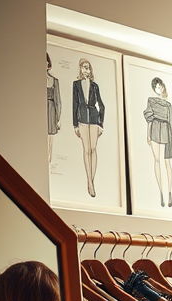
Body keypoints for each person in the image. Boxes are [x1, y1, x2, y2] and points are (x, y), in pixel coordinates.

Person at [71, 58, 104, 198]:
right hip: (82, 119)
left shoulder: (95, 86)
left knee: (93, 149)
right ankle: (89, 182)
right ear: (80, 69)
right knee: (86, 150)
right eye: (84, 67)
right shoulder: (76, 84)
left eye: (88, 67)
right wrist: (75, 124)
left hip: (94, 119)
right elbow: (74, 104)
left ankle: (91, 181)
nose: (86, 70)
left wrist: (101, 123)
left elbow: (101, 104)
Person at [144, 77, 172, 208]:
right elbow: (149, 118)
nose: (159, 89)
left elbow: (171, 121)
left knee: (167, 162)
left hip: (165, 130)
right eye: (157, 87)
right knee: (156, 159)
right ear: (154, 89)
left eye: (161, 86)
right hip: (154, 129)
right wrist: (147, 134)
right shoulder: (151, 101)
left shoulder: (168, 104)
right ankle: (161, 192)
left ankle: (169, 191)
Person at [46, 52, 61, 165]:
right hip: (39, 109)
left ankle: (49, 158)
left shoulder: (54, 81)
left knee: (50, 135)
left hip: (51, 109)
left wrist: (58, 118)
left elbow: (58, 101)